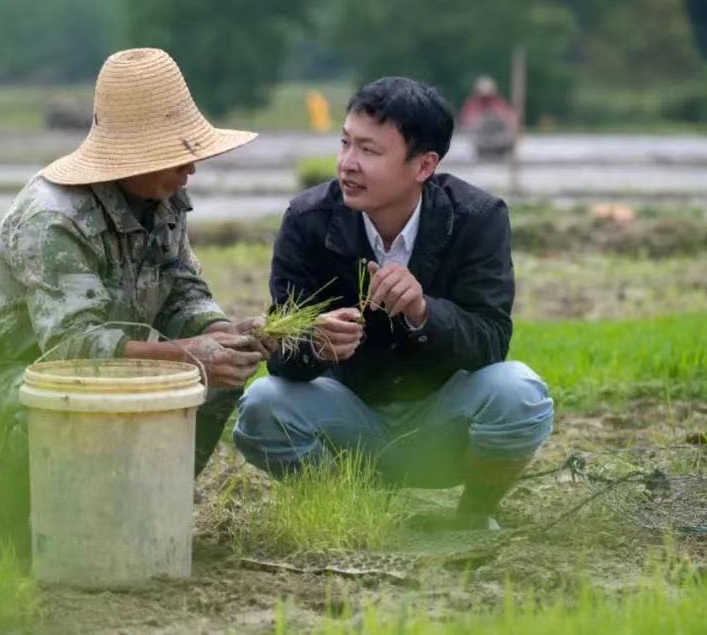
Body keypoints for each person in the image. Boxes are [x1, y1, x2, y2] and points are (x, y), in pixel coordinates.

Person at [0, 48, 271, 559]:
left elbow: (182, 289)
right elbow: (72, 349)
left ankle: (144, 507)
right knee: (54, 404)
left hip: (103, 367)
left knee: (217, 379)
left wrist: (221, 335)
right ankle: (12, 529)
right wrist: (187, 355)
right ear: (134, 156)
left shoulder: (163, 196)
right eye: (177, 154)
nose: (191, 168)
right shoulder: (54, 218)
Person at [233, 76, 553, 528]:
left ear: (424, 165)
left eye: (369, 150)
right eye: (345, 143)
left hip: (444, 424)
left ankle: (473, 518)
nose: (347, 164)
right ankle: (350, 513)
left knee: (520, 392)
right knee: (261, 405)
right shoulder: (308, 220)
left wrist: (424, 312)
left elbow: (491, 342)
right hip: (348, 417)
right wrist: (314, 344)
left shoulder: (478, 218)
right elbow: (282, 357)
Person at [459, 76, 519, 159]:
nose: (486, 98)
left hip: (500, 142)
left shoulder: (498, 103)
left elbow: (511, 118)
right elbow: (466, 121)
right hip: (481, 143)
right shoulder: (472, 104)